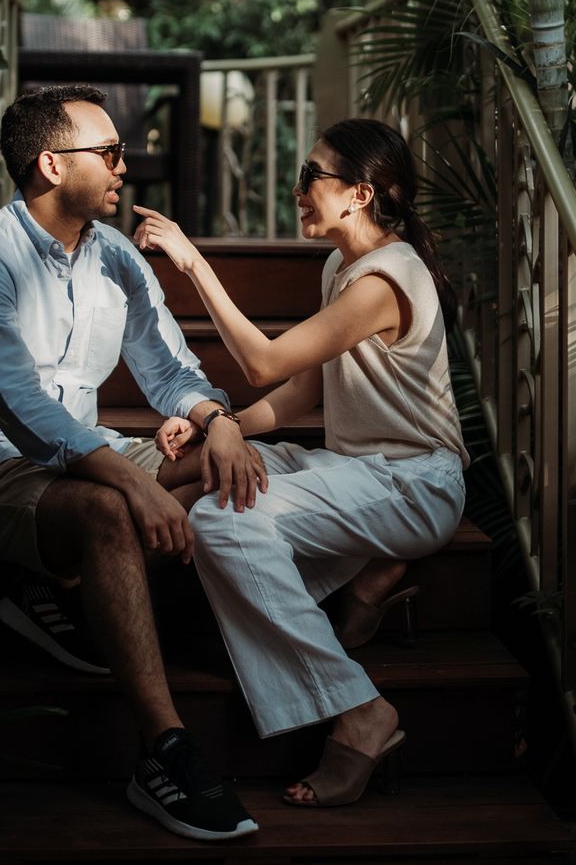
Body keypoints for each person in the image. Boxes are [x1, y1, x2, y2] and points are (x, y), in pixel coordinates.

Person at [0, 84, 266, 841]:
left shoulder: (115, 256)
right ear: (51, 164)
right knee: (113, 508)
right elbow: (21, 409)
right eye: (110, 152)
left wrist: (216, 422)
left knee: (231, 466)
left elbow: (172, 372)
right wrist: (127, 483)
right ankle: (165, 751)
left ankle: (61, 591)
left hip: (89, 454)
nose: (127, 164)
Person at [133, 117, 469, 808]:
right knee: (221, 475)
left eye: (312, 176)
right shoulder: (339, 266)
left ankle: (360, 714)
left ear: (360, 194)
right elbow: (300, 393)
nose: (297, 191)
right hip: (355, 471)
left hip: (413, 484)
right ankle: (367, 583)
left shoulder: (387, 278)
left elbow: (262, 361)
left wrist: (194, 264)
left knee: (227, 525)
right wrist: (220, 426)